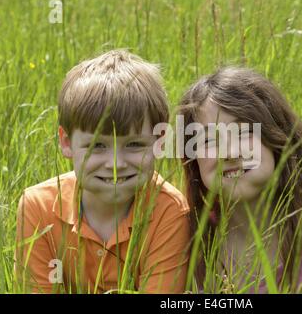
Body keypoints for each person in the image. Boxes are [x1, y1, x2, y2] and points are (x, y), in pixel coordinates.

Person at [178, 67, 302, 293]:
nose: (229, 153)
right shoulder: (190, 243)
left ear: (277, 138)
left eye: (243, 132)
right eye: (210, 140)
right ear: (194, 161)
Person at [15, 50, 190, 293]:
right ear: (66, 142)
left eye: (134, 144)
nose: (115, 164)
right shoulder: (38, 207)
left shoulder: (169, 212)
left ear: (159, 141)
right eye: (97, 145)